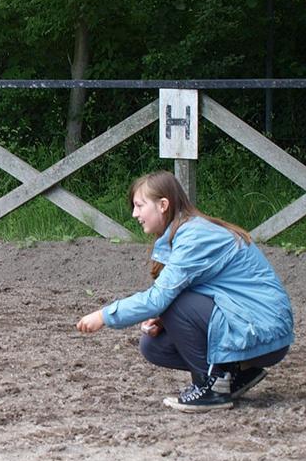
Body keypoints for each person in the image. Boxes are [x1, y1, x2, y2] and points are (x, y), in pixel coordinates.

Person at [76, 170, 294, 413]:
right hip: (254, 326)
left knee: (170, 304)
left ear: (163, 205)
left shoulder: (193, 236)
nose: (134, 214)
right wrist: (164, 320)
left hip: (264, 331)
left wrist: (104, 315)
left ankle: (212, 386)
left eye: (139, 205)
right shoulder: (186, 232)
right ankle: (236, 375)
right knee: (154, 345)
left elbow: (159, 299)